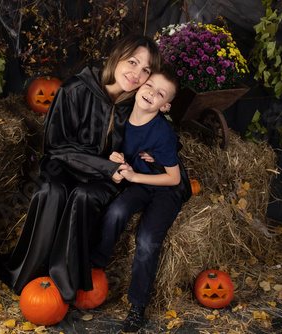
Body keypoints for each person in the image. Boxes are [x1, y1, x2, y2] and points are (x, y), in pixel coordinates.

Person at [0, 34, 162, 304]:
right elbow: (56, 146)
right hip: (64, 164)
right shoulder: (75, 88)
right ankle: (28, 274)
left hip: (105, 177)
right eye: (132, 62)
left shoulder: (138, 105)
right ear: (117, 56)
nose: (136, 73)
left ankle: (64, 285)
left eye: (146, 70)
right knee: (52, 190)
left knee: (85, 195)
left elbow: (153, 143)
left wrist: (136, 159)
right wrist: (105, 164)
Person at [90, 67, 182, 333]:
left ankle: (137, 306)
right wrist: (113, 159)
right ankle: (96, 264)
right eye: (149, 85)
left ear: (165, 106)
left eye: (160, 94)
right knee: (117, 210)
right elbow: (109, 147)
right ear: (140, 85)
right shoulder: (120, 114)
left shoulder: (162, 132)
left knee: (146, 240)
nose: (151, 93)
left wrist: (135, 177)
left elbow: (173, 178)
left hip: (164, 191)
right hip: (138, 183)